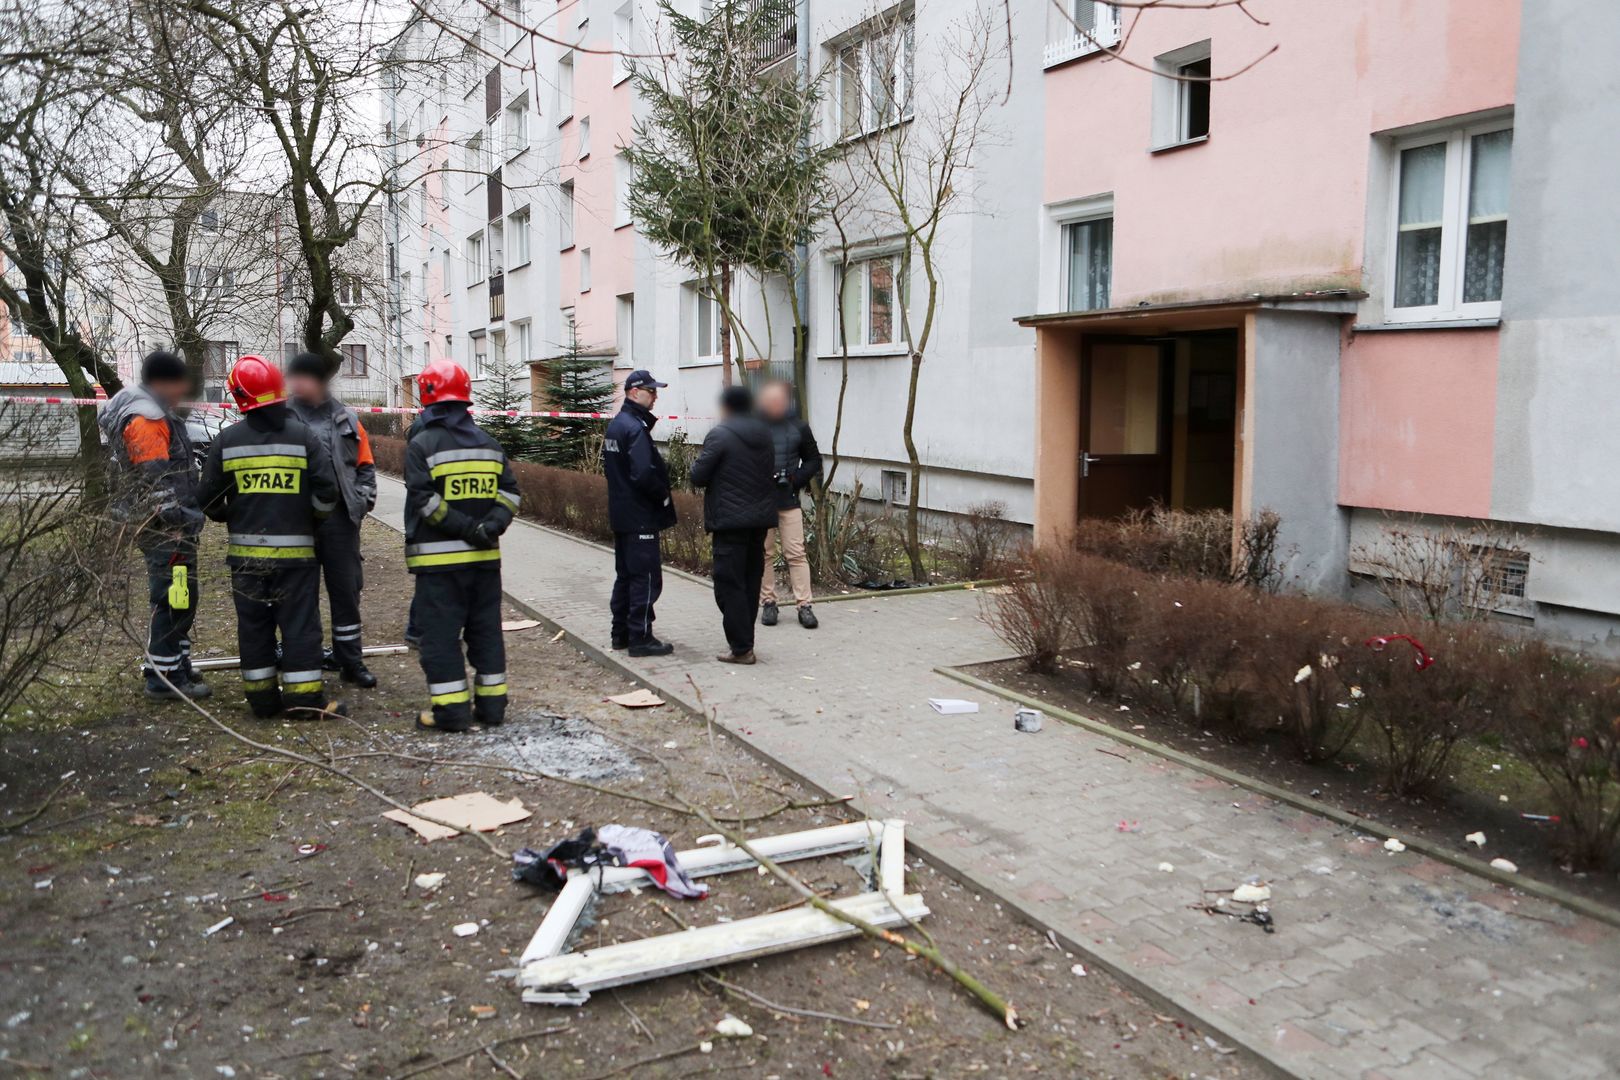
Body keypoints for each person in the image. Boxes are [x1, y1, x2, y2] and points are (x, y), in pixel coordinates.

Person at [198, 356, 347, 719]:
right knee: (299, 627)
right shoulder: (303, 437)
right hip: (296, 561)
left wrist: (233, 514)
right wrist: (308, 520)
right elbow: (328, 493)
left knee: (254, 628)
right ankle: (304, 702)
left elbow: (209, 501)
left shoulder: (227, 441)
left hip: (246, 563)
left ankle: (262, 701)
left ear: (240, 396)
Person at [402, 360, 520, 732]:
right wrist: (491, 527)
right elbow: (511, 493)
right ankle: (491, 710)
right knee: (486, 634)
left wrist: (468, 528)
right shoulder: (490, 444)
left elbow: (425, 502)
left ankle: (451, 713)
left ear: (428, 397)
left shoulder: (421, 445)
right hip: (485, 562)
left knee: (440, 639)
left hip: (440, 567)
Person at [99, 350, 210, 700]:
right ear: (163, 383)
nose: (183, 393)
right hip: (166, 529)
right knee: (174, 598)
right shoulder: (147, 419)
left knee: (181, 597)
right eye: (180, 385)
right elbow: (154, 479)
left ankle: (175, 665)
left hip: (165, 525)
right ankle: (163, 678)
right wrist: (176, 522)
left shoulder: (151, 412)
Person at [286, 352, 379, 688]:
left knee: (346, 593)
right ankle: (306, 661)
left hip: (340, 522)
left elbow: (365, 465)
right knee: (300, 596)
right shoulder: (283, 418)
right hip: (299, 523)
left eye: (305, 377)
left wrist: (364, 498)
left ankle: (350, 661)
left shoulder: (346, 418)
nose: (298, 383)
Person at [689, 385, 777, 664]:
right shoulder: (765, 434)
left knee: (729, 585)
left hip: (729, 522)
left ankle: (741, 649)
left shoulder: (720, 434)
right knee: (751, 582)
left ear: (726, 407)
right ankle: (745, 642)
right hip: (759, 522)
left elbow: (698, 476)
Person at [602, 370, 677, 657]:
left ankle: (620, 633)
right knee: (645, 578)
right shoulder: (634, 428)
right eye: (651, 391)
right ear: (634, 392)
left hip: (622, 513)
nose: (655, 396)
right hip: (640, 516)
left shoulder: (618, 426)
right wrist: (663, 496)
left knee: (626, 576)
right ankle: (641, 637)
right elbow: (644, 473)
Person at [754, 381, 823, 630]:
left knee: (796, 553)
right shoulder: (755, 426)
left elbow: (814, 459)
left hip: (789, 499)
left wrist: (796, 479)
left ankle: (804, 605)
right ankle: (768, 603)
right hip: (762, 500)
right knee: (765, 554)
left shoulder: (799, 426)